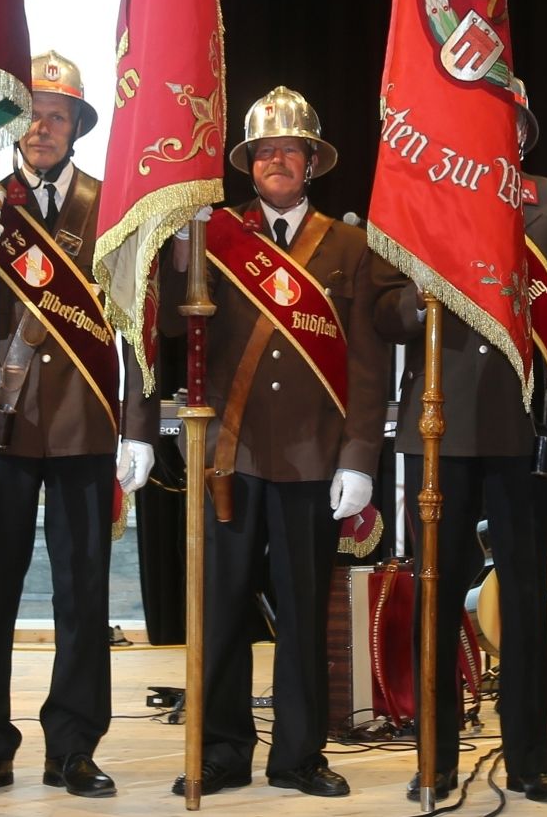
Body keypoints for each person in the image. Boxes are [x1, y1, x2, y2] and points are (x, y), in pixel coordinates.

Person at [0, 51, 158, 799]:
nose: (41, 127)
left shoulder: (109, 203)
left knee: (83, 593)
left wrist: (138, 423)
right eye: (31, 113)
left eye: (57, 115)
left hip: (84, 421)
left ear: (76, 127)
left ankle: (74, 746)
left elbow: (135, 319)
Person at [160, 86, 396, 799]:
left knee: (302, 613)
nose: (277, 161)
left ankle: (298, 755)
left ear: (311, 161)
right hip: (229, 455)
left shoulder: (350, 245)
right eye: (264, 151)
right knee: (221, 610)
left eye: (290, 150)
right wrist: (179, 255)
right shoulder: (212, 233)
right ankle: (221, 751)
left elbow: (367, 363)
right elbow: (169, 329)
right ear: (248, 162)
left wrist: (359, 457)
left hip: (312, 457)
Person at [380, 76, 547, 805]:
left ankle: (531, 759)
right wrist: (421, 301)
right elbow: (380, 310)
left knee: (527, 599)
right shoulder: (424, 198)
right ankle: (434, 756)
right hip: (437, 429)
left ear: (524, 132)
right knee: (435, 597)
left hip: (521, 425)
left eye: (508, 121)